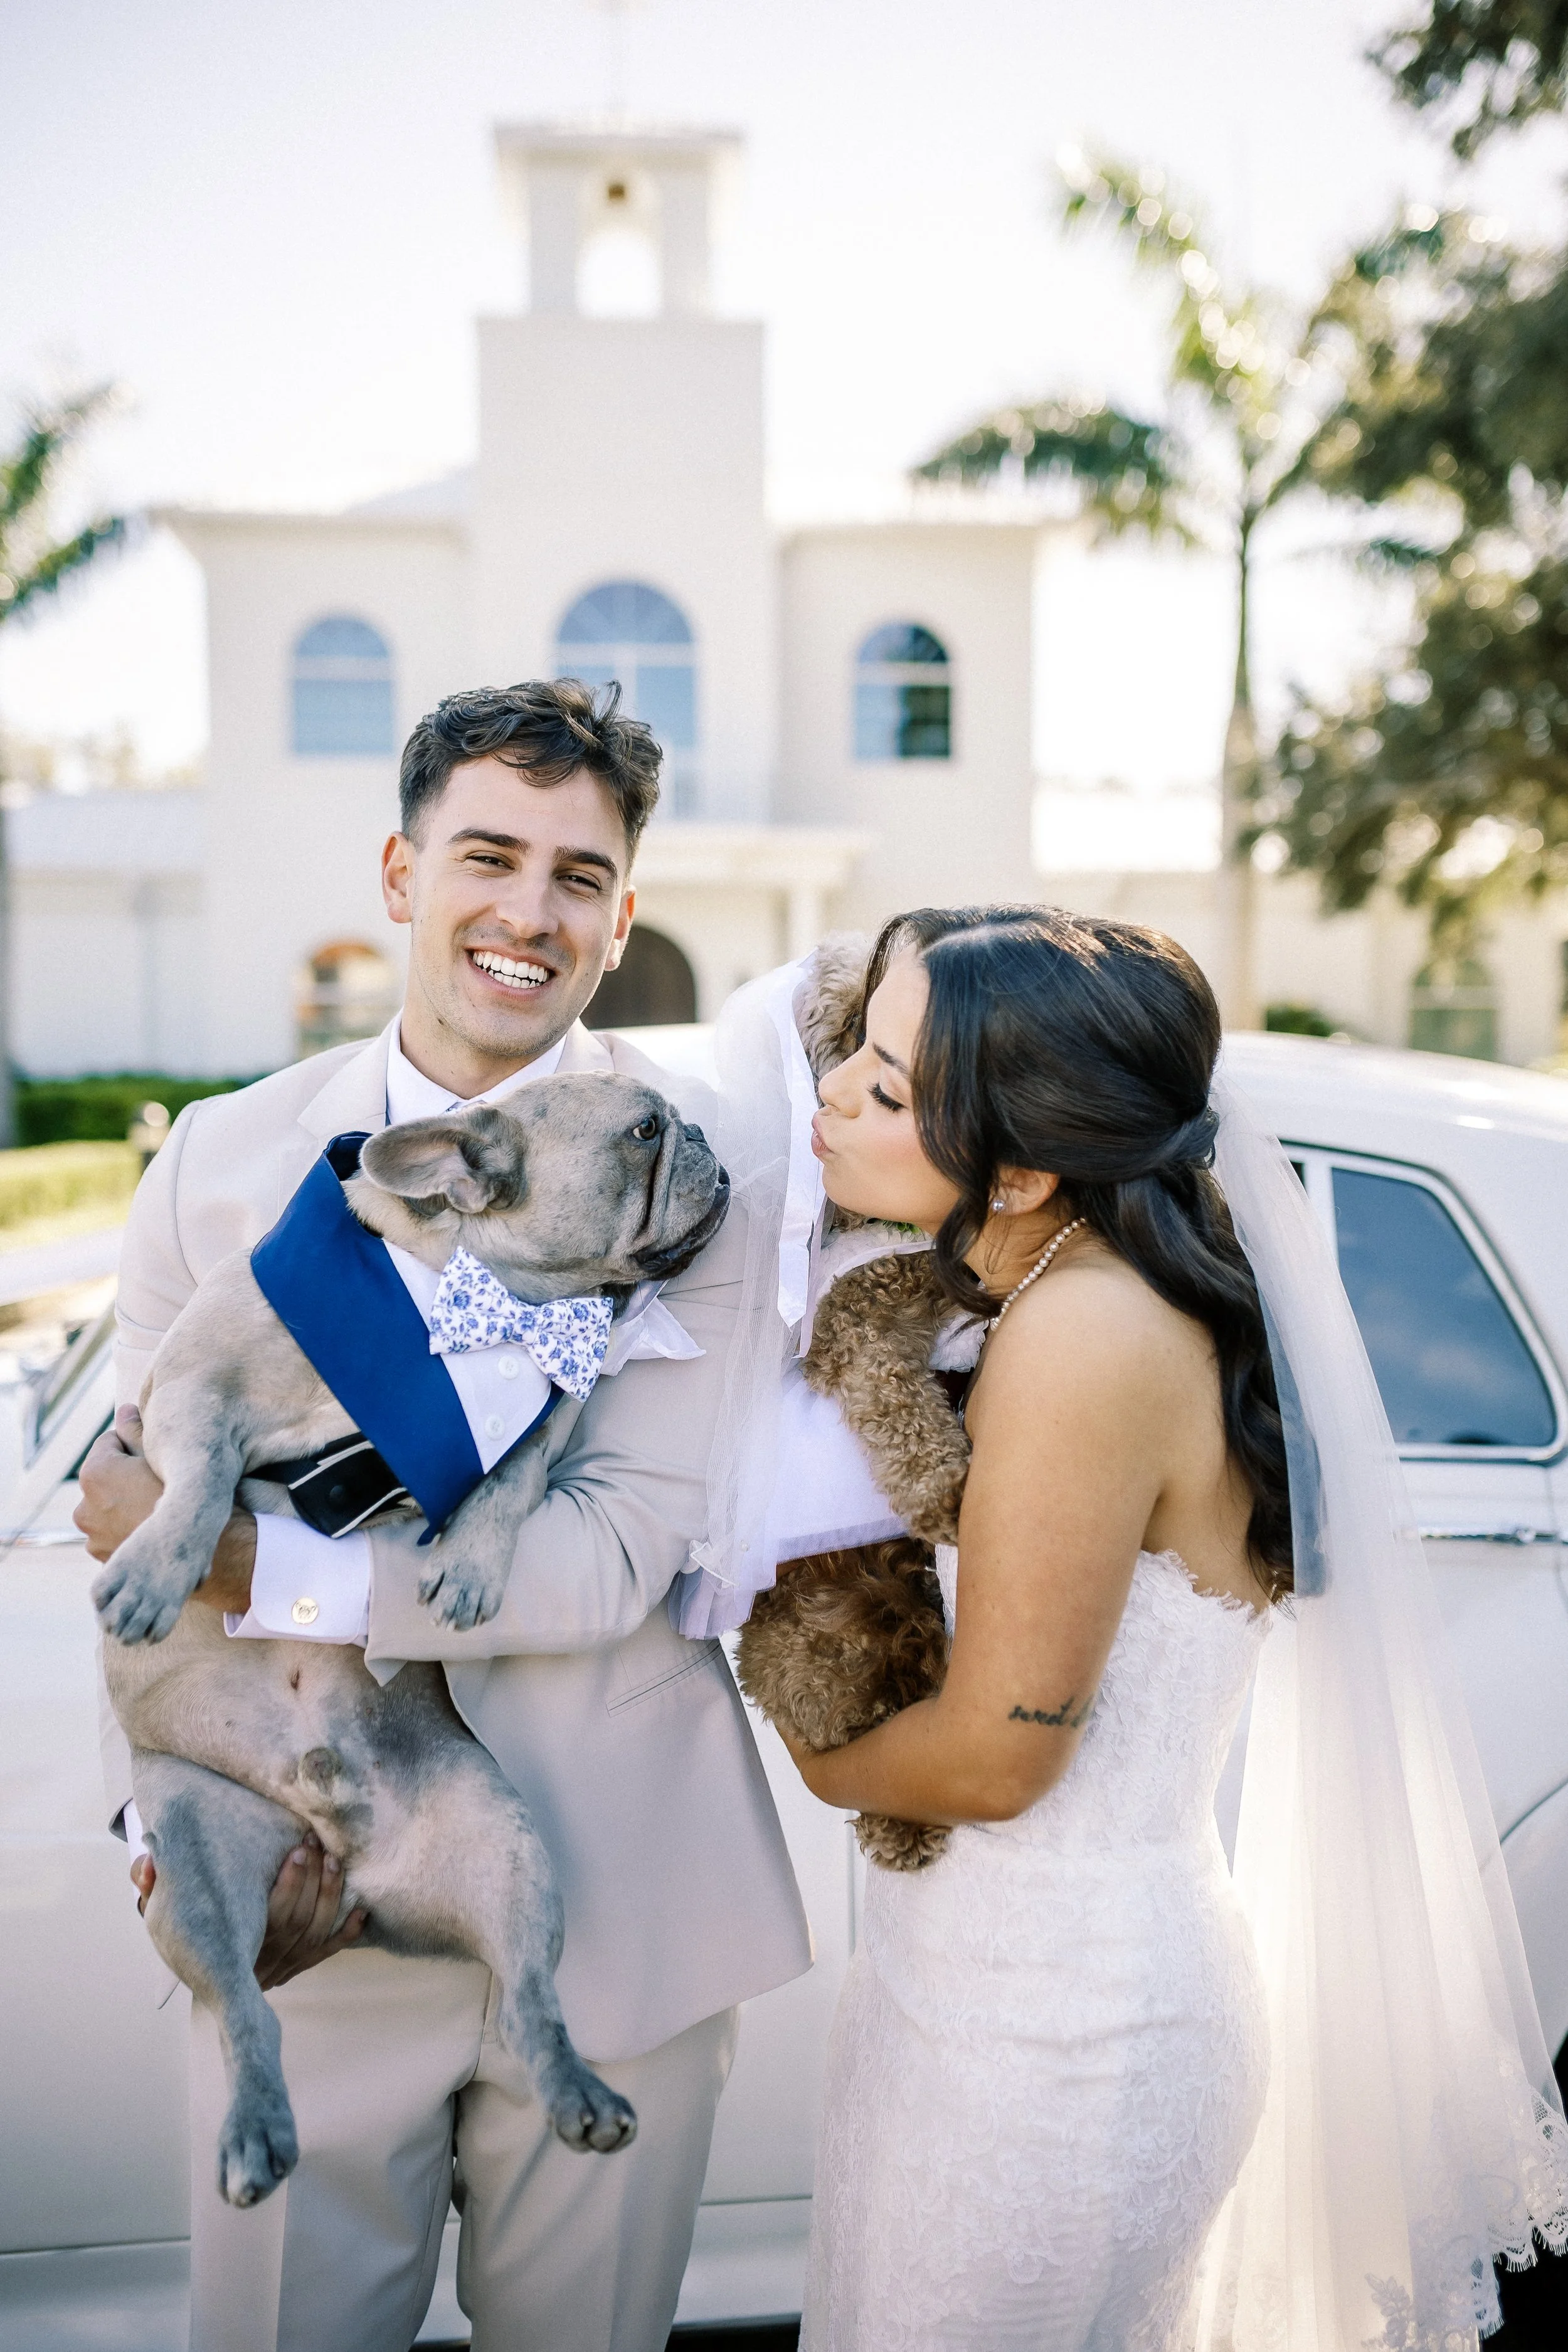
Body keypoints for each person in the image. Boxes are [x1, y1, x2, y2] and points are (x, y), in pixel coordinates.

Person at [704, 905, 1568, 2351]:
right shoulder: (1052, 1288)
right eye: (852, 1048)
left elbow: (996, 1763)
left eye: (891, 1085)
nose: (834, 1093)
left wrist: (812, 1745)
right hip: (983, 1995)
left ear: (1026, 1164)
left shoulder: (1084, 1338)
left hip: (1056, 2047)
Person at [75, 679, 810, 2352]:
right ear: (402, 875)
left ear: (620, 920)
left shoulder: (701, 1177)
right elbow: (128, 1517)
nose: (525, 910)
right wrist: (161, 1824)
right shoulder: (218, 1159)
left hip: (615, 1909)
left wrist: (267, 1564)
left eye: (575, 875)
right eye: (488, 853)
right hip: (303, 1901)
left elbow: (605, 1553)